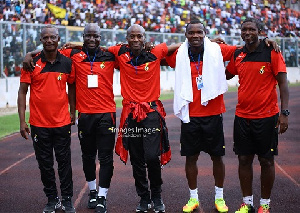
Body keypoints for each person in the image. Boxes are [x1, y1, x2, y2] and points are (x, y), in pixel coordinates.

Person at [23, 23, 117, 213]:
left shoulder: (111, 55)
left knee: (105, 158)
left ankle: (100, 197)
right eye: (88, 36)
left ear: (101, 37)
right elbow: (50, 47)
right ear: (82, 37)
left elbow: (132, 51)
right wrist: (29, 54)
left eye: (96, 36)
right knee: (87, 157)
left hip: (106, 113)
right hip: (84, 115)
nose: (92, 39)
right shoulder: (72, 55)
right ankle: (89, 193)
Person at [165, 19, 237, 213]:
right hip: (190, 116)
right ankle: (193, 198)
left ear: (205, 34)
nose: (195, 36)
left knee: (217, 157)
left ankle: (219, 198)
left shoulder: (217, 50)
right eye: (191, 33)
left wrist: (267, 42)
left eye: (199, 32)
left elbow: (243, 48)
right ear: (186, 36)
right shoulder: (179, 55)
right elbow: (159, 54)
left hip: (212, 114)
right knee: (191, 158)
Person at [108, 24, 178, 213]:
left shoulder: (156, 51)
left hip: (151, 113)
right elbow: (91, 46)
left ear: (145, 38)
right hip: (130, 114)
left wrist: (211, 43)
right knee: (137, 158)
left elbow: (181, 45)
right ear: (127, 38)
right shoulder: (119, 51)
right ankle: (144, 198)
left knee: (151, 156)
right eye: (132, 36)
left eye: (139, 36)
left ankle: (157, 195)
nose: (136, 40)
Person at [225, 18, 289, 213]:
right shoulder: (238, 54)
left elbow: (283, 84)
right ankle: (247, 202)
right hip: (242, 117)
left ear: (260, 31)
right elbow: (226, 75)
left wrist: (284, 113)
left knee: (266, 161)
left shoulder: (272, 52)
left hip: (267, 116)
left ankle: (265, 204)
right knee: (244, 159)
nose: (247, 32)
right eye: (244, 29)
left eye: (252, 29)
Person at [17, 25, 76, 213]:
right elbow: (22, 92)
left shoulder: (68, 62)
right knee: (45, 165)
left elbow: (72, 88)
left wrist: (73, 111)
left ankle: (67, 200)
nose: (49, 40)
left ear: (58, 39)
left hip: (62, 123)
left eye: (53, 37)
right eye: (46, 38)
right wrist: (21, 121)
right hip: (38, 124)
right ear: (41, 40)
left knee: (64, 163)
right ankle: (52, 199)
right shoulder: (31, 63)